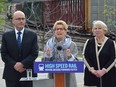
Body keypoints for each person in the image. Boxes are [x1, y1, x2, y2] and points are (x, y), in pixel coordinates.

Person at [1, 10, 39, 87]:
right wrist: (15, 65)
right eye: (18, 19)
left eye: (23, 19)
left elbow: (34, 53)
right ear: (13, 21)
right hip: (11, 74)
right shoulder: (6, 36)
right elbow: (4, 54)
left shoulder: (32, 35)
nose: (21, 21)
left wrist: (23, 64)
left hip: (28, 73)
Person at [43, 20, 78, 87]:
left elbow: (76, 64)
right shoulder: (49, 44)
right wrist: (47, 56)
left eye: (61, 29)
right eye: (57, 29)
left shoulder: (72, 45)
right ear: (54, 31)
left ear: (65, 31)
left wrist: (70, 56)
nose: (59, 31)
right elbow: (44, 63)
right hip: (53, 76)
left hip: (68, 77)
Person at [83, 20, 116, 87]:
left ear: (104, 30)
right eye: (95, 28)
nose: (97, 30)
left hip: (108, 75)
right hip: (91, 75)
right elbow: (85, 56)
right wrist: (91, 69)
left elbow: (113, 58)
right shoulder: (89, 42)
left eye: (99, 28)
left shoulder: (111, 43)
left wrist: (104, 71)